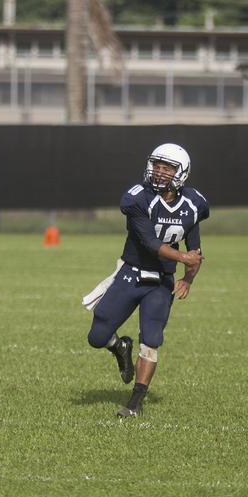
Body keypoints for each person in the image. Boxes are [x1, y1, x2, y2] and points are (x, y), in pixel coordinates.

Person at [83, 143, 209, 417]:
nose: (159, 172)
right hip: (131, 273)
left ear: (181, 172)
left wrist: (188, 278)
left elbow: (195, 250)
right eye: (157, 166)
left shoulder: (193, 203)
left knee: (152, 337)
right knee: (97, 337)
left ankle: (135, 403)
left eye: (167, 168)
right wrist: (182, 258)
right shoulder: (138, 197)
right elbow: (151, 243)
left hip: (161, 281)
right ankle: (120, 346)